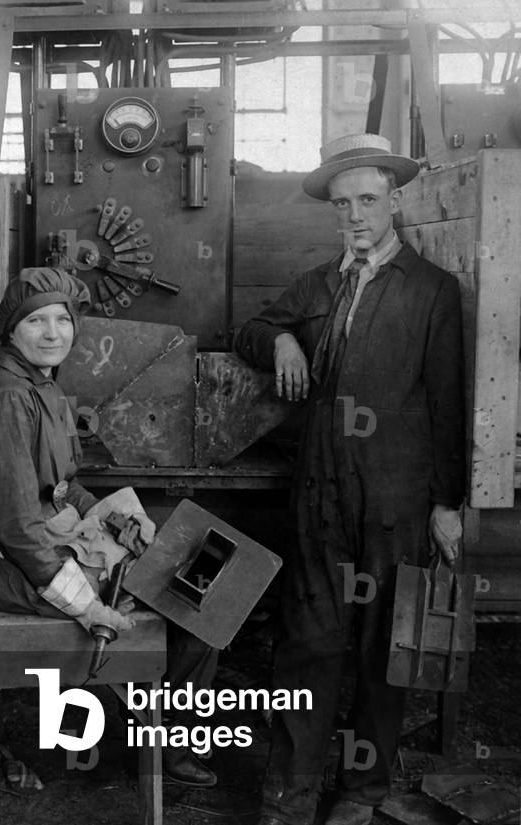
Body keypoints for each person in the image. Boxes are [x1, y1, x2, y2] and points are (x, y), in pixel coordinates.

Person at [233, 134, 465, 825]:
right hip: (321, 493)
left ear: (394, 201)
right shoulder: (318, 284)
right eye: (342, 204)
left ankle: (360, 793)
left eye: (367, 200)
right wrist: (280, 338)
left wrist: (447, 502)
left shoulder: (431, 291)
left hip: (395, 496)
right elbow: (250, 326)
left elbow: (448, 403)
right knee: (307, 642)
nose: (355, 215)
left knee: (378, 647)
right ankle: (291, 793)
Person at [0, 266, 218, 787]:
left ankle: (164, 736)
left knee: (190, 576)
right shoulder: (7, 397)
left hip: (51, 542)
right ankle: (169, 747)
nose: (53, 334)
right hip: (18, 567)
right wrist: (87, 604)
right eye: (36, 322)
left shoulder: (41, 387)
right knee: (196, 608)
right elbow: (14, 527)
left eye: (62, 319)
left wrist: (118, 519)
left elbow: (61, 486)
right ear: (10, 330)